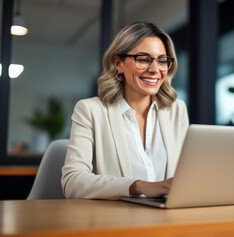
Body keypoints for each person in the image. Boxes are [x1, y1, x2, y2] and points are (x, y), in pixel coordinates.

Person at [61, 22, 189, 200]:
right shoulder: (90, 111)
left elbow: (187, 174)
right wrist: (139, 186)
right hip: (117, 220)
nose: (154, 70)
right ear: (118, 64)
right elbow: (72, 182)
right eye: (143, 59)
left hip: (167, 219)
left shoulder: (177, 110)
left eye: (162, 60)